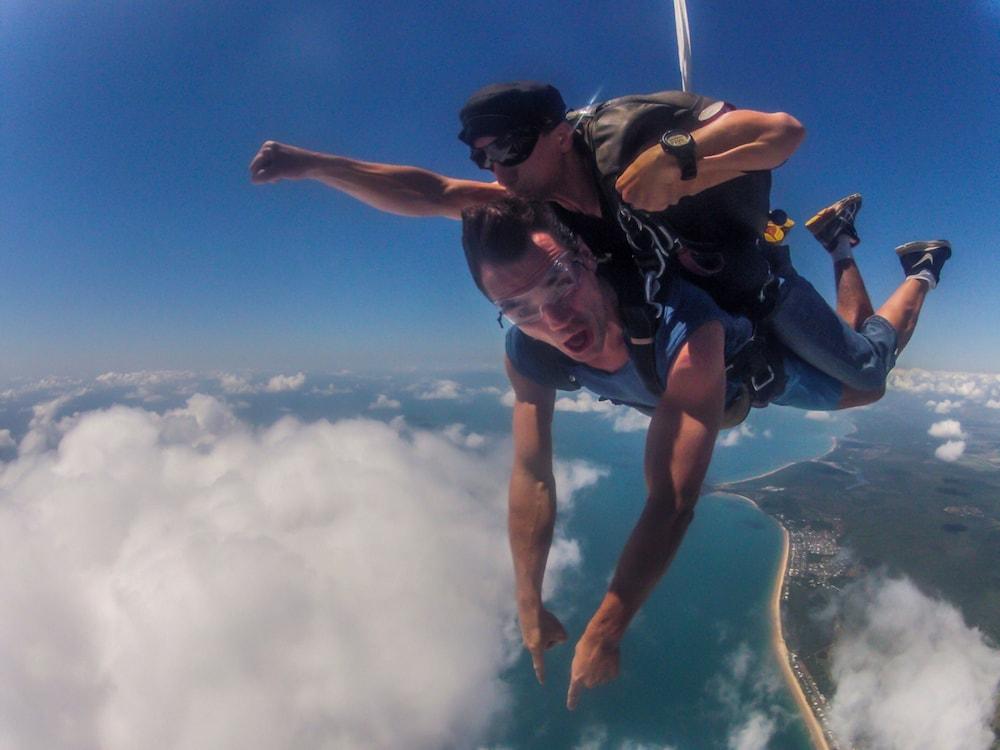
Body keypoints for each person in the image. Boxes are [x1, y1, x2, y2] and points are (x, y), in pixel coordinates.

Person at [458, 195, 950, 709]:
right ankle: (841, 242)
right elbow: (531, 473)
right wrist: (528, 601)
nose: (553, 318)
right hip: (738, 384)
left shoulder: (682, 325)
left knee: (869, 375)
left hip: (763, 360)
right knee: (853, 361)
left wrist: (605, 631)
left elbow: (670, 502)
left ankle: (922, 269)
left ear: (585, 255)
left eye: (558, 280)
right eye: (517, 308)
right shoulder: (527, 350)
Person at [248, 81, 904, 398]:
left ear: (559, 132)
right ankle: (839, 244)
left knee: (866, 372)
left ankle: (905, 265)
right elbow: (434, 195)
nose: (497, 169)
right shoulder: (531, 203)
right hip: (699, 308)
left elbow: (784, 134)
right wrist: (315, 165)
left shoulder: (623, 144)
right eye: (482, 157)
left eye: (507, 146)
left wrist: (678, 157)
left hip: (749, 283)